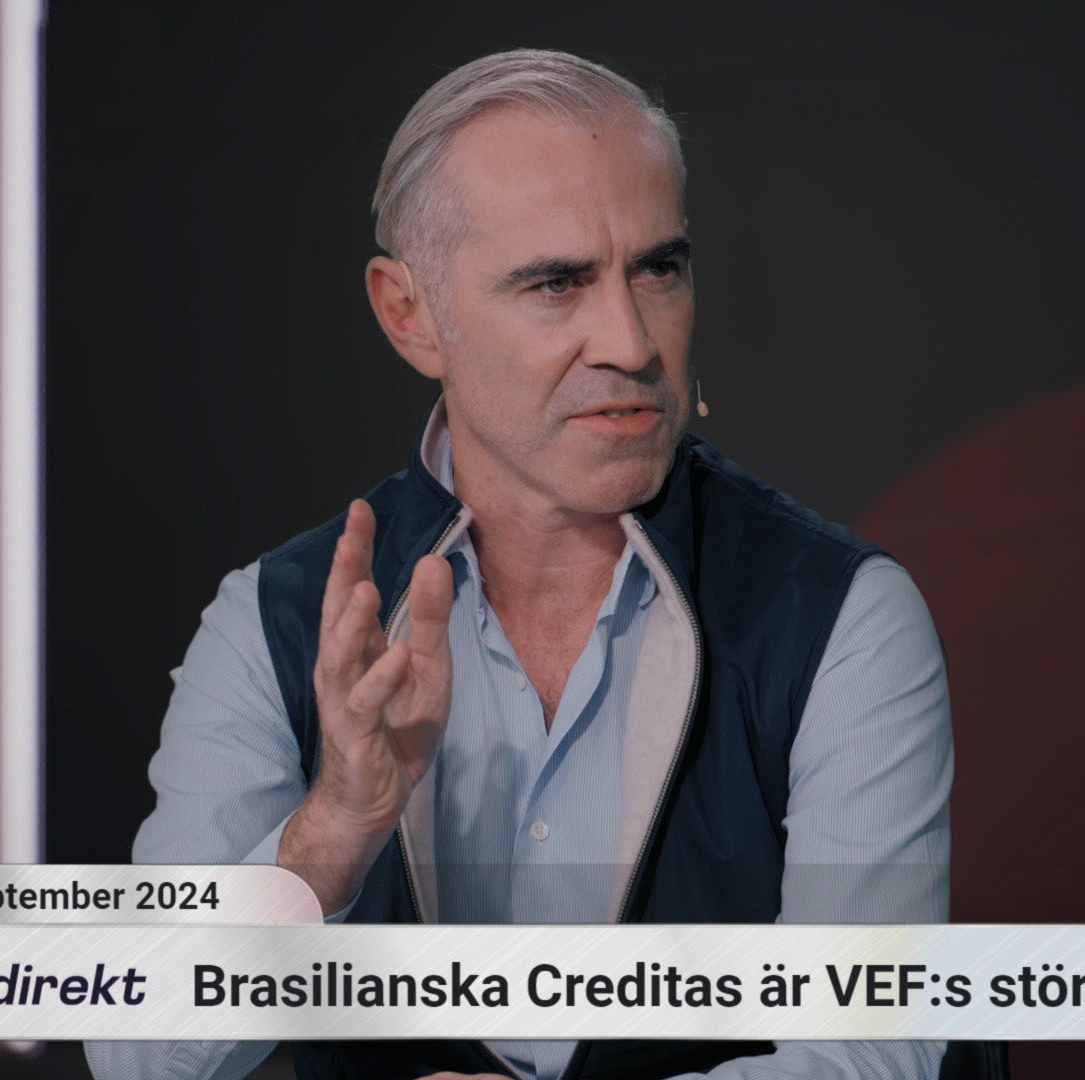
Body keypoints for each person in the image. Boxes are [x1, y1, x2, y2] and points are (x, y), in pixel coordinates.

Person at [86, 48, 957, 1080]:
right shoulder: (270, 621)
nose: (631, 341)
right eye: (556, 283)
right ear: (410, 316)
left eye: (658, 269)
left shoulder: (839, 615)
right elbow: (135, 1052)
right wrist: (330, 835)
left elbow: (874, 1052)